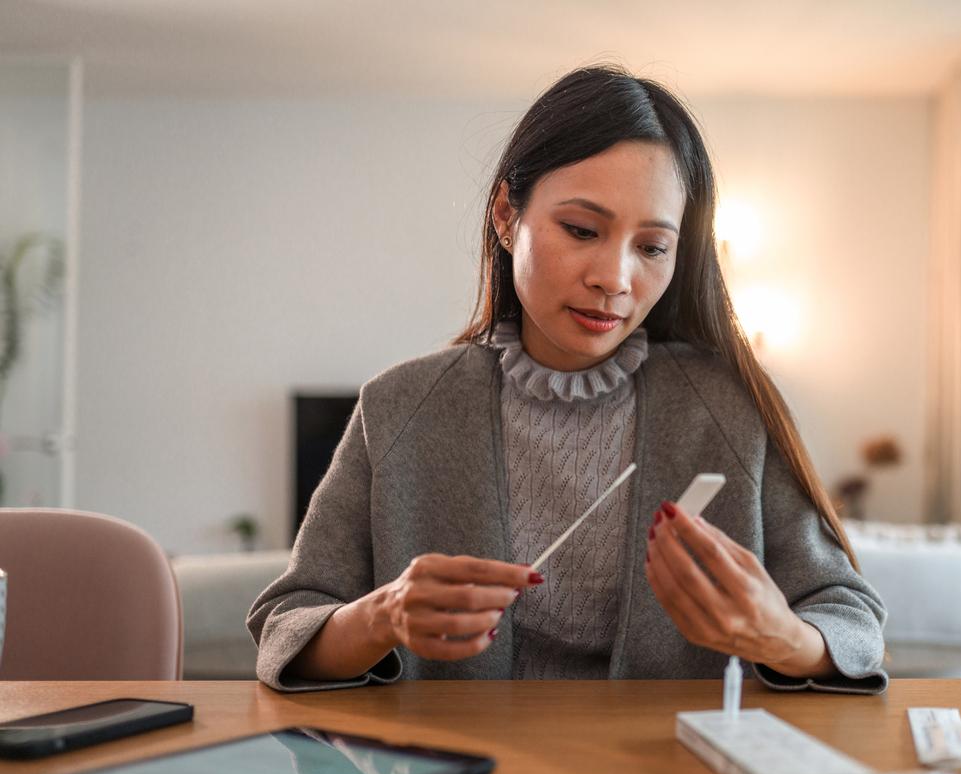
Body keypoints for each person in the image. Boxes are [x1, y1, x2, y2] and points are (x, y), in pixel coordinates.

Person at [248, 65, 888, 695]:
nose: (614, 277)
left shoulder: (728, 408)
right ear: (505, 215)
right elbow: (286, 626)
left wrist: (782, 637)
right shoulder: (399, 408)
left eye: (652, 247)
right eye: (582, 230)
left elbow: (848, 616)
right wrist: (381, 616)